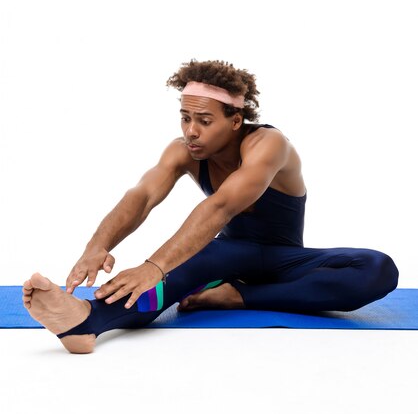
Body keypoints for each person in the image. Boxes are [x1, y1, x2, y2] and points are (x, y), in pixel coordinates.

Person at [22, 59, 399, 354]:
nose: (191, 131)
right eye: (185, 118)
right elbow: (141, 197)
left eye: (204, 121)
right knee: (169, 279)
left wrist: (154, 265)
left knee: (377, 269)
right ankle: (86, 322)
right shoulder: (182, 151)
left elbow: (220, 207)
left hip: (285, 261)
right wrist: (97, 246)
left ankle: (236, 296)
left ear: (235, 121)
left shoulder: (269, 145)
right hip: (226, 255)